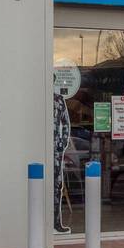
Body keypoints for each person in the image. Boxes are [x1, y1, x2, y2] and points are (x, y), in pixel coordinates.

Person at [52, 87, 72, 235]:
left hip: (55, 149)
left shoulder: (59, 99)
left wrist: (63, 142)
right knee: (37, 185)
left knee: (57, 184)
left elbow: (66, 123)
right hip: (38, 149)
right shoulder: (36, 99)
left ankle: (56, 222)